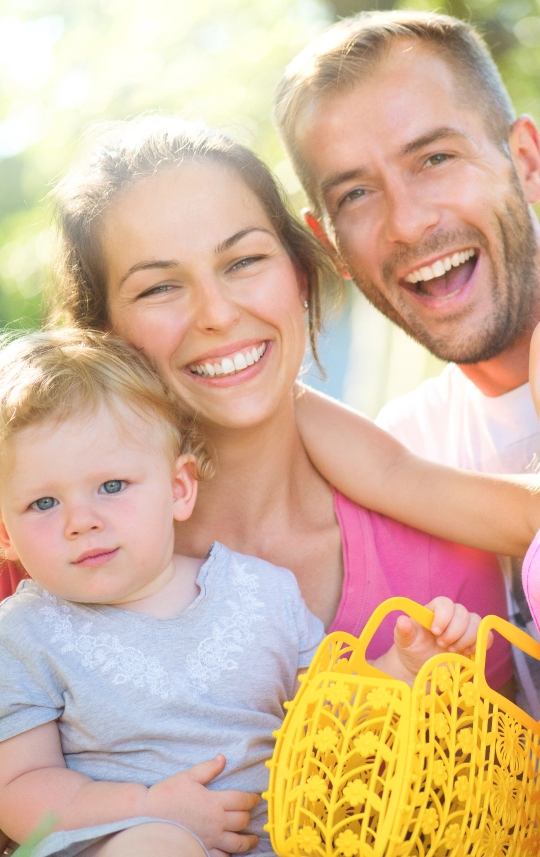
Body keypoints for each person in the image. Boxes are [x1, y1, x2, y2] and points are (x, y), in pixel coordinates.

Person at [273, 11, 540, 853]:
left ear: (524, 158)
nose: (407, 223)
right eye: (357, 194)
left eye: (434, 157)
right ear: (328, 245)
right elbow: (395, 473)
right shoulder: (449, 470)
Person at [44, 117, 512, 685]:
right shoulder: (45, 549)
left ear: (301, 276)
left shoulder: (443, 575)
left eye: (243, 262)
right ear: (104, 335)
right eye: (159, 287)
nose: (216, 314)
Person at [0, 328, 482, 857]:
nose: (80, 522)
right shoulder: (25, 633)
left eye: (112, 487)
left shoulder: (260, 593)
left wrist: (403, 670)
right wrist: (149, 807)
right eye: (44, 504)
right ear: (5, 533)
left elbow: (333, 722)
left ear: (179, 488)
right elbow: (19, 790)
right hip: (121, 840)